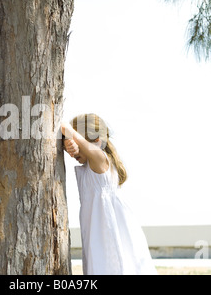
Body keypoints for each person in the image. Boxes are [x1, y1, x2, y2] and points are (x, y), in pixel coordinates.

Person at [61, 113, 157, 275]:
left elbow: (64, 126)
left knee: (112, 265)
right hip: (96, 230)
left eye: (80, 143)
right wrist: (68, 141)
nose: (74, 151)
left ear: (97, 142)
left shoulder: (100, 158)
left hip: (108, 229)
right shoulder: (91, 165)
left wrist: (71, 137)